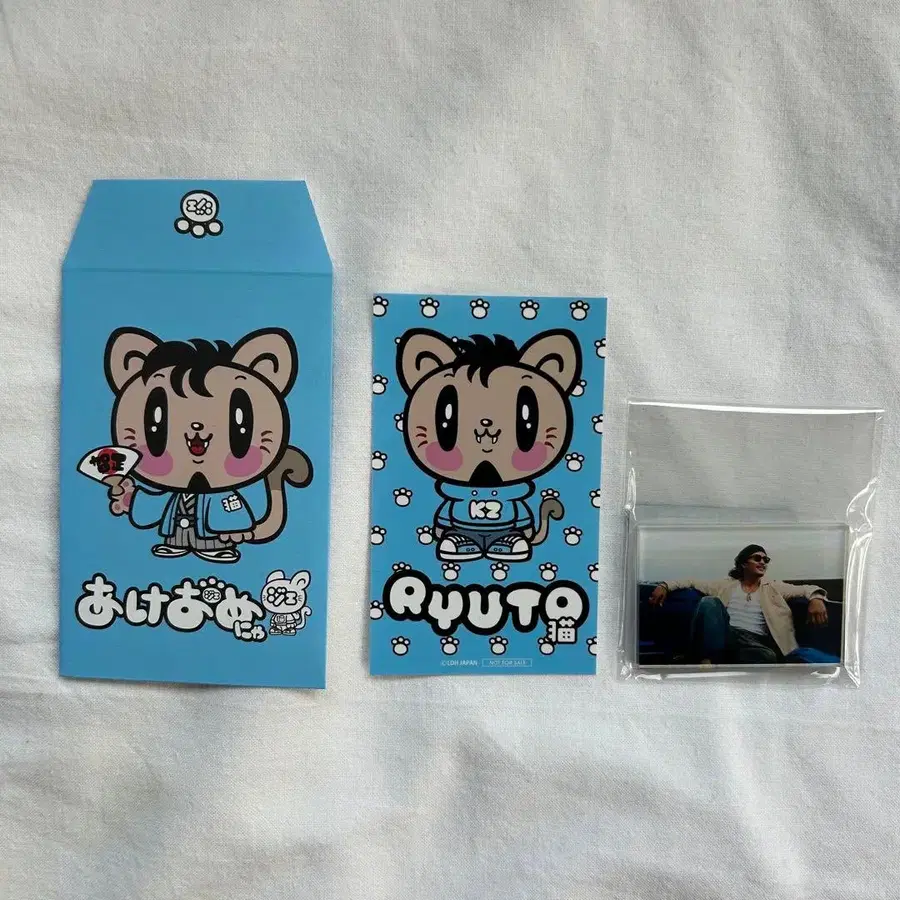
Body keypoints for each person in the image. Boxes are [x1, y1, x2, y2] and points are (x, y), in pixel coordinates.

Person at [649, 544, 834, 664]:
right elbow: (691, 581)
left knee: (767, 656)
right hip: (727, 634)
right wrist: (665, 586)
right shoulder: (725, 585)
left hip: (754, 643)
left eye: (766, 560)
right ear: (744, 564)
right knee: (709, 602)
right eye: (757, 558)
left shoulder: (774, 587)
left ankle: (716, 660)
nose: (763, 562)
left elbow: (807, 589)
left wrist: (816, 599)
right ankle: (706, 662)